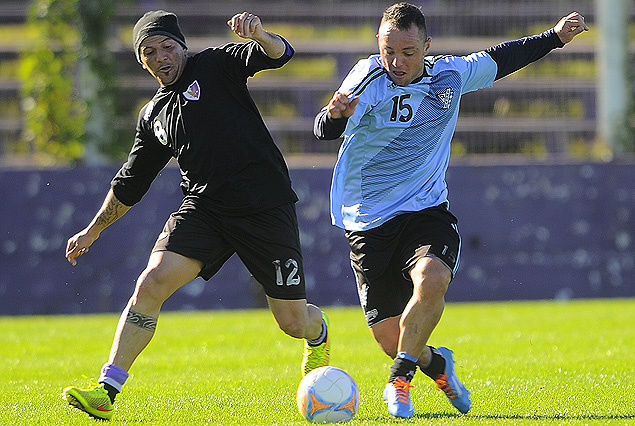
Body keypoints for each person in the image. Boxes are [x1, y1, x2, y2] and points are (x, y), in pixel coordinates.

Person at [314, 2, 588, 419]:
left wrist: (554, 37)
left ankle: (399, 379)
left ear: (427, 46)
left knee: (433, 277)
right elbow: (324, 127)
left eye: (408, 52)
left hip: (425, 209)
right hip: (366, 220)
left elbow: (501, 57)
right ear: (378, 44)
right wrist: (334, 115)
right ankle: (436, 364)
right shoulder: (367, 77)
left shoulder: (449, 75)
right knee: (392, 337)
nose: (397, 61)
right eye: (389, 50)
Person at [62, 10, 330, 421]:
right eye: (149, 52)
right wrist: (93, 229)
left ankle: (319, 334)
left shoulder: (216, 65)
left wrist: (261, 36)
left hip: (264, 207)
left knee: (293, 322)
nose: (161, 56)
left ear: (182, 46)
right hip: (205, 210)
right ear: (142, 62)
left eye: (167, 46)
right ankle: (106, 391)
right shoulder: (152, 116)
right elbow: (131, 180)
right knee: (150, 284)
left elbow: (279, 55)